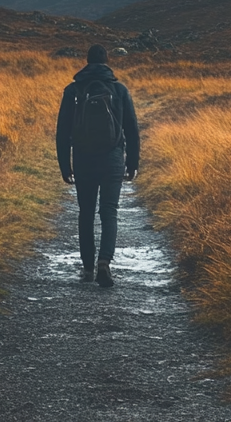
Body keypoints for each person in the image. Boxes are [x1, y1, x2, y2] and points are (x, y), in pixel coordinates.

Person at [56, 44, 140, 287]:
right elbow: (132, 130)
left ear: (87, 61)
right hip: (112, 158)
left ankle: (87, 268)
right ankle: (105, 261)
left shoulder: (73, 90)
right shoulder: (119, 90)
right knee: (109, 211)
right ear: (107, 61)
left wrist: (65, 165)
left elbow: (63, 132)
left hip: (83, 158)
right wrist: (132, 162)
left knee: (86, 213)